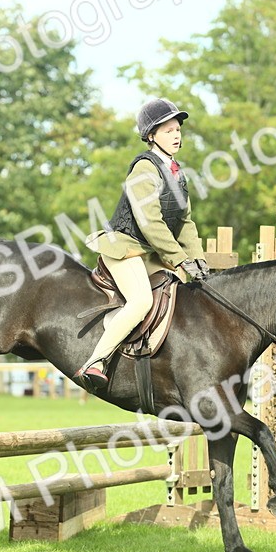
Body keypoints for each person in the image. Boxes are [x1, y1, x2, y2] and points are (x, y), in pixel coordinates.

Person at [79, 98, 209, 388]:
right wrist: (180, 258)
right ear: (151, 136)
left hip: (148, 252)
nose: (176, 136)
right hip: (123, 247)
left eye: (178, 130)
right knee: (141, 301)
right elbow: (150, 223)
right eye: (168, 131)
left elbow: (185, 222)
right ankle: (95, 362)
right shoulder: (144, 171)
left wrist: (199, 260)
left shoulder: (177, 172)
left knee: (183, 293)